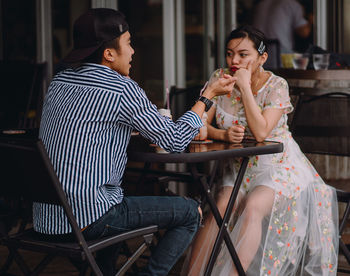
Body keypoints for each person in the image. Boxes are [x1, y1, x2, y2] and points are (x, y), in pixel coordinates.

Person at [33, 8, 236, 276]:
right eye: (128, 43)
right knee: (189, 211)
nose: (133, 51)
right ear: (109, 54)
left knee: (117, 201)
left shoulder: (60, 81)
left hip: (46, 220)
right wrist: (207, 95)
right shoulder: (121, 89)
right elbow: (175, 140)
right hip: (87, 220)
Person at [184, 25, 338, 275]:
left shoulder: (277, 85)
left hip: (279, 167)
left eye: (243, 54)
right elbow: (201, 125)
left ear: (262, 58)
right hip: (238, 168)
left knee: (253, 206)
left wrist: (244, 87)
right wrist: (221, 133)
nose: (234, 60)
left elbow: (261, 133)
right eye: (229, 53)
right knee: (220, 206)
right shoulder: (220, 77)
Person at [252, 0, 312, 68]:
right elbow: (304, 32)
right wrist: (311, 19)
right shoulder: (291, 4)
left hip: (259, 60)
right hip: (282, 62)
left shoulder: (261, 4)